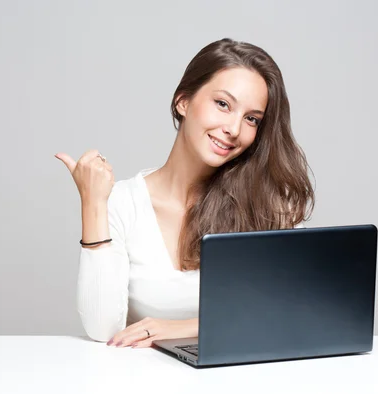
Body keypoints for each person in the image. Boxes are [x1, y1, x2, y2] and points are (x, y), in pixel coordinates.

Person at [55, 38, 315, 349]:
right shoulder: (124, 202)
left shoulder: (268, 205)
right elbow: (102, 327)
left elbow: (292, 312)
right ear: (183, 101)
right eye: (223, 104)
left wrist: (177, 328)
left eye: (252, 119)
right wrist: (94, 203)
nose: (234, 128)